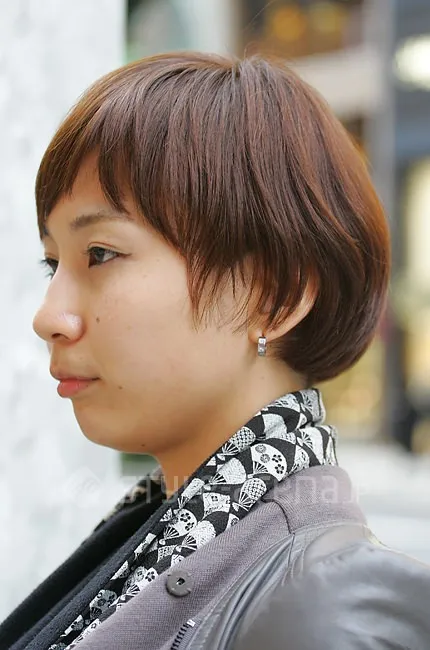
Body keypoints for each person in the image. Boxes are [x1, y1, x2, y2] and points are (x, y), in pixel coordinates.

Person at [1, 52, 429, 650]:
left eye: (100, 254)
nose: (48, 317)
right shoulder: (161, 533)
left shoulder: (335, 609)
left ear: (276, 296)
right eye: (53, 264)